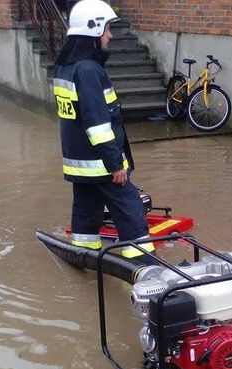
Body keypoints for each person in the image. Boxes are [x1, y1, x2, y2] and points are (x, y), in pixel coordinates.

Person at [53, 0, 156, 263]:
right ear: (94, 29)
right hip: (101, 163)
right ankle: (143, 266)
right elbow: (97, 124)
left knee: (86, 212)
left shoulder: (65, 66)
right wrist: (115, 164)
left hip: (80, 163)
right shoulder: (88, 70)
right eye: (108, 29)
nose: (110, 35)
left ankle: (85, 258)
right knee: (131, 209)